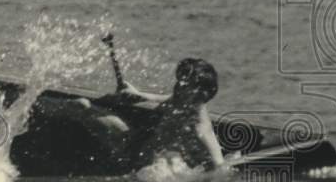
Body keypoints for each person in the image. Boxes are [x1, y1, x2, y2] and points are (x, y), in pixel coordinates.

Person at [62, 59, 225, 171]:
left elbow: (219, 168)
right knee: (80, 106)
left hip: (133, 159)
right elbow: (167, 99)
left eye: (186, 84)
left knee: (81, 106)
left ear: (201, 94)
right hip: (138, 146)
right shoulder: (182, 101)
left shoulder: (199, 130)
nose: (179, 84)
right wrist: (139, 95)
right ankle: (38, 101)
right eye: (180, 80)